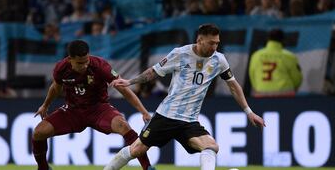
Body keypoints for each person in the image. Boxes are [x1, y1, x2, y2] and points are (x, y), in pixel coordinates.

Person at [104, 24, 266, 170]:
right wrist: (131, 82)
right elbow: (153, 71)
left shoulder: (219, 60)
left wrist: (249, 112)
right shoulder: (180, 54)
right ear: (199, 40)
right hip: (166, 115)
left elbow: (233, 85)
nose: (214, 47)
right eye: (211, 43)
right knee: (137, 149)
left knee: (211, 146)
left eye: (217, 43)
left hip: (189, 120)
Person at [32, 40, 154, 170]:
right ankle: (43, 168)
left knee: (123, 126)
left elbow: (123, 89)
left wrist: (144, 111)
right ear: (70, 59)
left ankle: (147, 167)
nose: (84, 65)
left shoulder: (100, 65)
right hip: (73, 111)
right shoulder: (61, 68)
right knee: (38, 132)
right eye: (80, 63)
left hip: (99, 110)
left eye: (86, 61)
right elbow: (55, 88)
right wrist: (45, 105)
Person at [249, 29, 303, 97]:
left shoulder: (256, 55)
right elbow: (297, 78)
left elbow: (252, 75)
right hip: (285, 94)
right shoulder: (289, 56)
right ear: (283, 40)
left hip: (261, 93)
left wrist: (258, 87)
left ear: (267, 39)